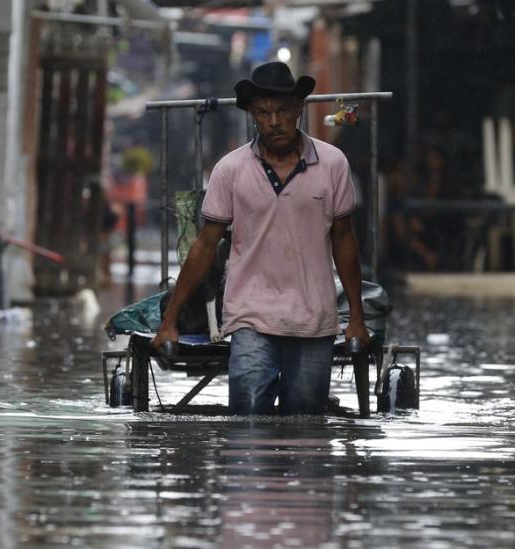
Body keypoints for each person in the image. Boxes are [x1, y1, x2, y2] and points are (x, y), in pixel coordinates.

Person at [151, 61, 368, 416]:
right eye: (264, 113)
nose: (274, 122)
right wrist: (169, 320)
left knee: (305, 425)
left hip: (314, 318)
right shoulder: (231, 169)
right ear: (253, 114)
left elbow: (344, 240)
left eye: (283, 111)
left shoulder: (332, 164)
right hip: (250, 316)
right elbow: (205, 245)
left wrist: (356, 317)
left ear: (298, 110)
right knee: (249, 420)